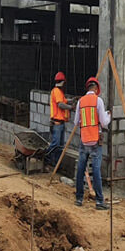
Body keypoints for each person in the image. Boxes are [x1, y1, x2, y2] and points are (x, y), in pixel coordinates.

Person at [72, 76, 111, 210]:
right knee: (96, 171)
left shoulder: (80, 101)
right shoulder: (98, 101)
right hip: (95, 140)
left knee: (81, 170)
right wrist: (108, 116)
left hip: (84, 140)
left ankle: (79, 199)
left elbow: (76, 122)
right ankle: (99, 201)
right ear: (96, 88)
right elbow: (104, 122)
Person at [45, 71, 74, 170]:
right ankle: (46, 158)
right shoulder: (57, 91)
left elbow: (63, 101)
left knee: (59, 146)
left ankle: (56, 165)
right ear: (63, 82)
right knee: (55, 144)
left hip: (60, 123)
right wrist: (71, 107)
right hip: (57, 123)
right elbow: (60, 104)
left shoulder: (59, 92)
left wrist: (71, 100)